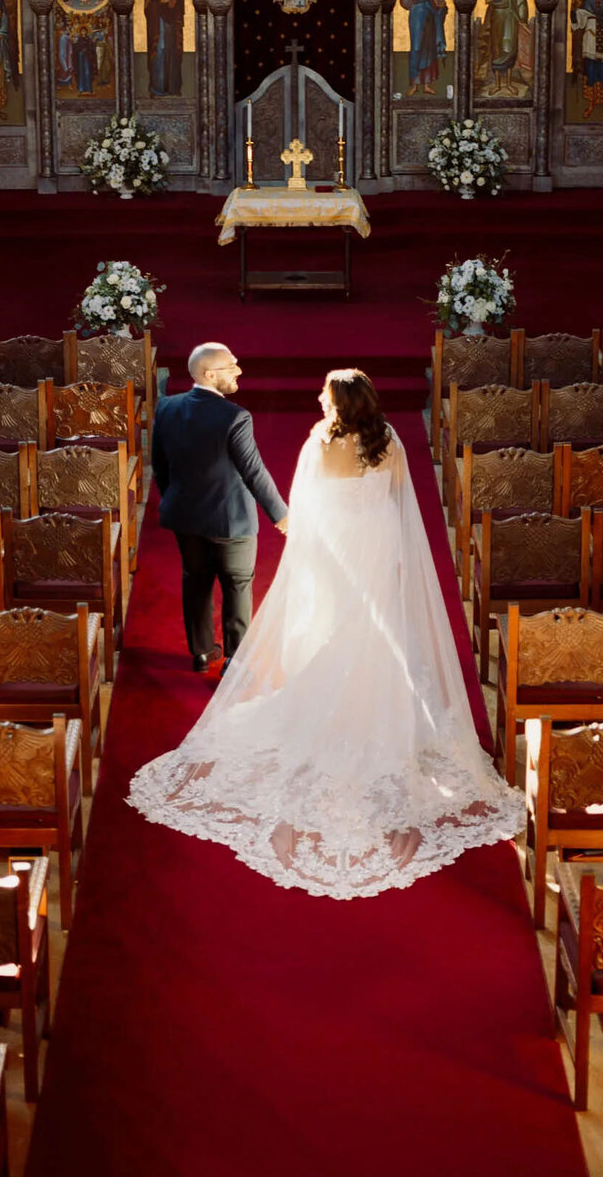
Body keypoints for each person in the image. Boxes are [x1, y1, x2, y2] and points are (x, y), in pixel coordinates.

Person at [130, 369, 523, 898]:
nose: (317, 397)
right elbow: (401, 504)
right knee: (378, 639)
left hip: (337, 555)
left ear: (338, 404)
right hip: (377, 553)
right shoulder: (392, 443)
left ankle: (325, 706)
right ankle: (378, 711)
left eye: (323, 393)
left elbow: (306, 510)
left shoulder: (320, 441)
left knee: (333, 633)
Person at [149, 343, 288, 674]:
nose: (239, 371)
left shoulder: (166, 408)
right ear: (210, 375)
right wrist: (281, 515)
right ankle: (234, 661)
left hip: (184, 517)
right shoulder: (235, 417)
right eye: (231, 366)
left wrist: (176, 500)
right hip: (232, 523)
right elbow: (253, 471)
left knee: (195, 580)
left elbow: (159, 465)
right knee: (237, 585)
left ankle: (200, 653)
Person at [400, 0, 448, 96]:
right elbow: (404, 0)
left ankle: (427, 84)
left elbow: (441, 0)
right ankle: (414, 84)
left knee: (429, 49)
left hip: (432, 17)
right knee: (416, 48)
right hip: (417, 18)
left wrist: (441, 5)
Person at [484, 0, 530, 94]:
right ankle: (498, 84)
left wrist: (522, 17)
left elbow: (521, 0)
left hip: (511, 16)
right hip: (497, 15)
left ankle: (508, 83)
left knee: (509, 47)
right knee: (497, 49)